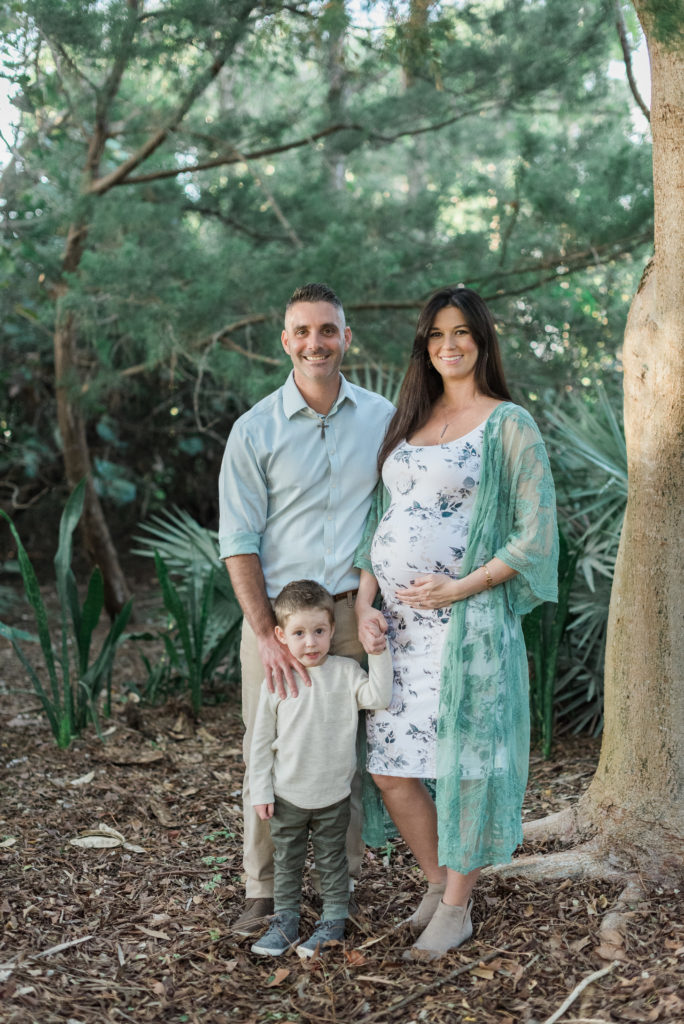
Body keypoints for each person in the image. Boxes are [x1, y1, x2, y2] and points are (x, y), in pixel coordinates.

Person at [354, 286, 558, 959]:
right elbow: (376, 524)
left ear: (483, 341)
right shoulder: (412, 419)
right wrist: (364, 606)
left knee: (467, 766)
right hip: (400, 632)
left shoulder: (509, 424)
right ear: (425, 345)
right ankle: (440, 882)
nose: (451, 344)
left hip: (467, 627)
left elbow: (535, 536)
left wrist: (461, 586)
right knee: (392, 770)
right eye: (438, 333)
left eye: (463, 331)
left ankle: (457, 907)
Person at [218, 282, 394, 936]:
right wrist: (265, 634)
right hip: (279, 622)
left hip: (349, 614)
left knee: (340, 750)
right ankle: (263, 892)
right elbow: (237, 541)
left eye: (327, 330)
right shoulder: (254, 429)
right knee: (268, 745)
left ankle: (338, 892)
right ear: (285, 341)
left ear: (347, 338)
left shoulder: (382, 418)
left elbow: (395, 513)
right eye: (302, 331)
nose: (315, 343)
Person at [249, 580, 393, 958]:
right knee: (287, 861)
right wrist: (262, 791)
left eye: (319, 631)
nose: (310, 642)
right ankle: (285, 921)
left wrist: (377, 652)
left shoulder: (346, 672)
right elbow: (261, 743)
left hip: (333, 796)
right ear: (281, 635)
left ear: (332, 630)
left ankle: (333, 921)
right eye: (299, 633)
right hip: (286, 796)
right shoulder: (277, 680)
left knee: (333, 861)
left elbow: (379, 696)